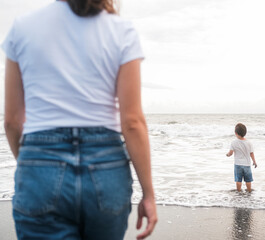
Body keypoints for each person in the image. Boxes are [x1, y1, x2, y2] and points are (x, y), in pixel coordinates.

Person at [2, 0, 157, 239]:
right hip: (106, 170)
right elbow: (132, 122)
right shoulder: (121, 30)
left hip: (41, 164)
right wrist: (148, 194)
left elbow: (12, 121)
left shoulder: (23, 27)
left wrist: (32, 164)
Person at [226, 123, 257, 192]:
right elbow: (251, 153)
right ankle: (249, 191)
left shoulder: (234, 142)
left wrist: (227, 155)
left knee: (238, 180)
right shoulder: (249, 142)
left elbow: (230, 153)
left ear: (235, 133)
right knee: (248, 180)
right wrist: (254, 161)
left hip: (238, 164)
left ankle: (239, 192)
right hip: (247, 165)